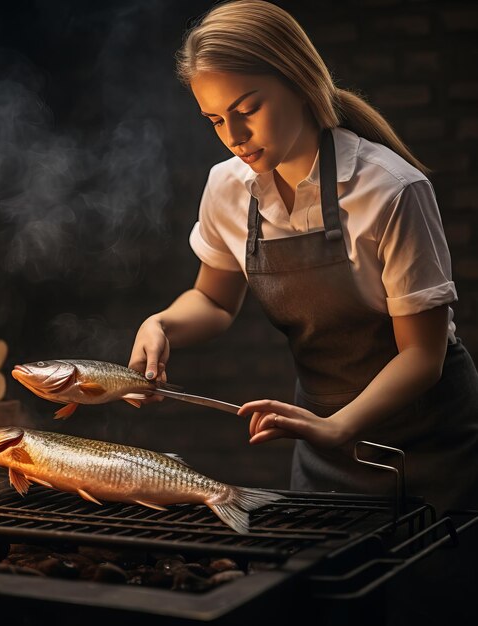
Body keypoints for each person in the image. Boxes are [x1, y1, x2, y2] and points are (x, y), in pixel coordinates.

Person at [127, 0, 478, 520]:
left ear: (298, 80)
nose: (234, 136)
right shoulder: (227, 187)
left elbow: (421, 357)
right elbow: (213, 301)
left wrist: (339, 425)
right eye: (215, 119)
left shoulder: (390, 190)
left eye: (248, 110)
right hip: (322, 443)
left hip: (432, 446)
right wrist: (161, 324)